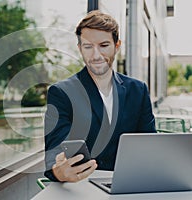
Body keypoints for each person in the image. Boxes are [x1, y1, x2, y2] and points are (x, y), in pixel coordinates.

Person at [44, 10, 156, 182]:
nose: (96, 55)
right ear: (80, 48)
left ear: (117, 46)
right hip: (83, 186)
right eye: (88, 47)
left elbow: (150, 145)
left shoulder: (138, 90)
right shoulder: (61, 93)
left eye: (104, 45)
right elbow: (54, 152)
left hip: (131, 182)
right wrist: (59, 171)